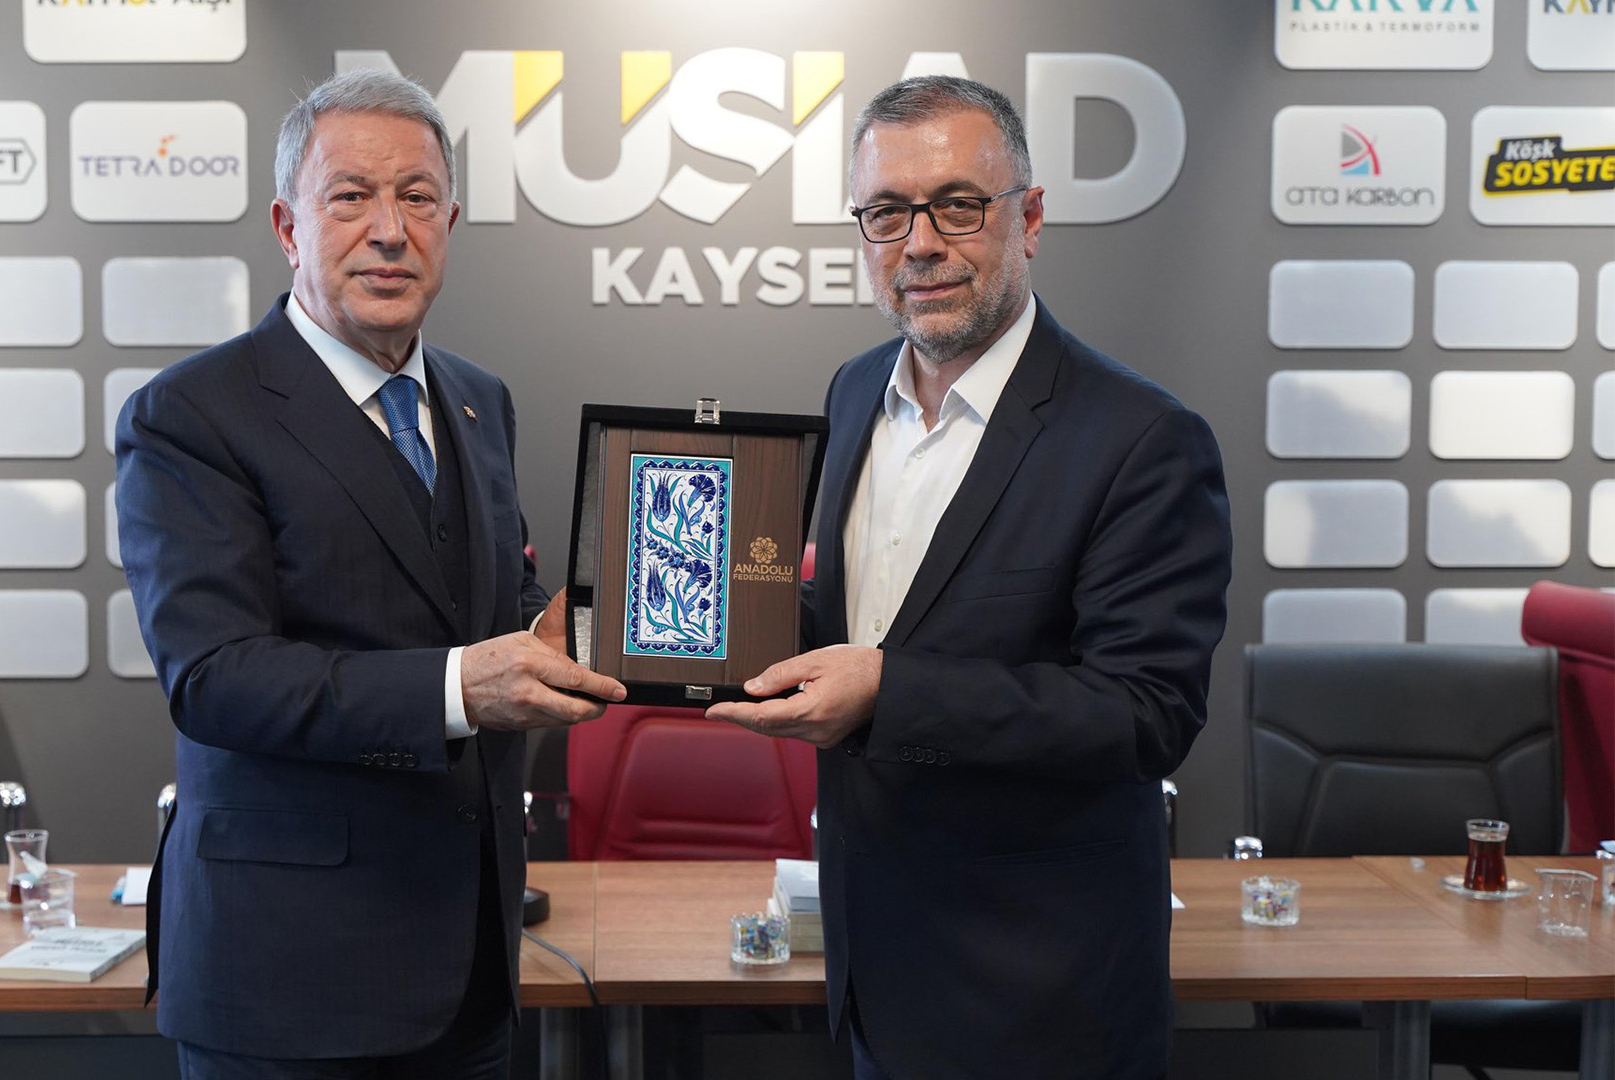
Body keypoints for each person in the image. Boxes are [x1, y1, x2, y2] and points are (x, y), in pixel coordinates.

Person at [707, 76, 1232, 1079]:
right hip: (871, 973)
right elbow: (867, 619)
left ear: (1028, 219)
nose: (919, 244)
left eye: (957, 206)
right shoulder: (854, 391)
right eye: (885, 213)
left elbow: (1145, 713)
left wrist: (887, 690)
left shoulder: (1143, 439)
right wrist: (688, 613)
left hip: (1042, 999)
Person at [115, 69, 625, 1079]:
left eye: (418, 198)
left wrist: (560, 633)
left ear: (451, 224)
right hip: (287, 985)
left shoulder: (478, 398)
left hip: (471, 974)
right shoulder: (192, 414)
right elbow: (215, 677)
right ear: (287, 225)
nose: (390, 230)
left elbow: (495, 603)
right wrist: (460, 687)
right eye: (350, 195)